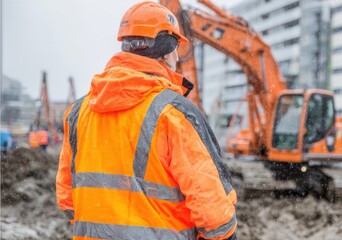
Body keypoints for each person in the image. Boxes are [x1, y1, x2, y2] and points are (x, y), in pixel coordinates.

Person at [56, 2, 237, 240]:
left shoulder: (78, 112)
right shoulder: (174, 114)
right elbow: (215, 217)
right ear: (166, 49)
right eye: (175, 48)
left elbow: (67, 199)